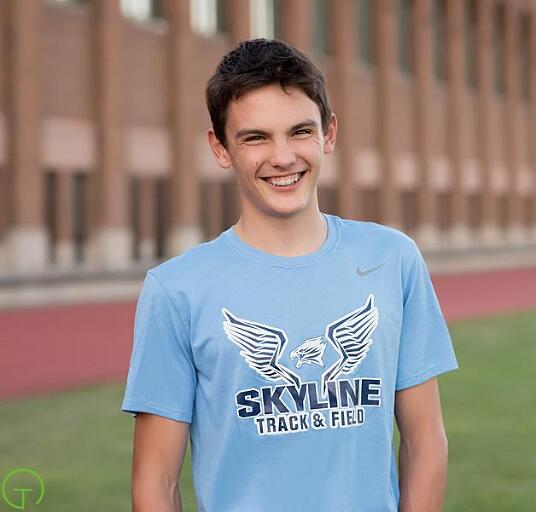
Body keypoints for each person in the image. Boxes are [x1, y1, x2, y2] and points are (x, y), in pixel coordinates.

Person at [121, 38, 459, 512]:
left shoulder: (392, 259)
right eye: (255, 137)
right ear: (220, 148)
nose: (282, 157)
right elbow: (156, 480)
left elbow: (425, 441)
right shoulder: (176, 290)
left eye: (300, 131)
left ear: (329, 134)